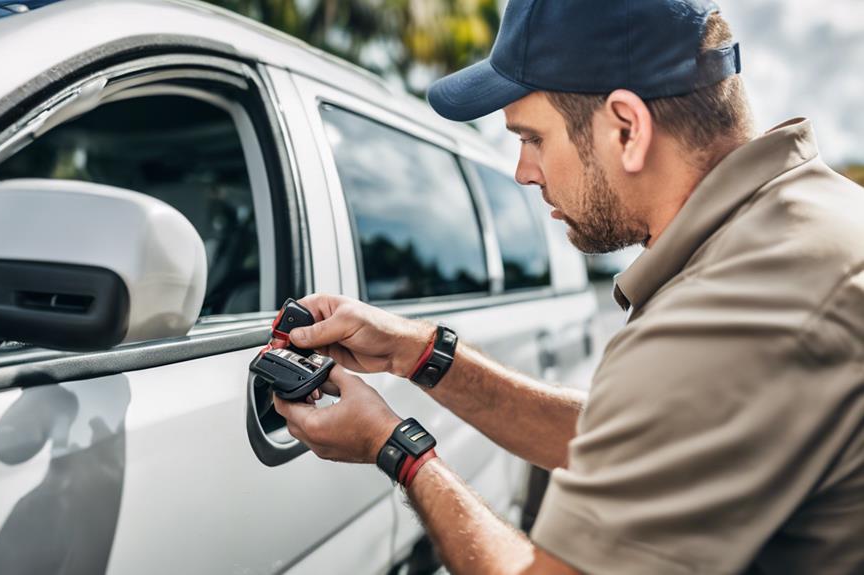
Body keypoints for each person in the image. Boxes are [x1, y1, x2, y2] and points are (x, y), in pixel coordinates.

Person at [273, 0, 864, 573]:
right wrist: (419, 353)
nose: (523, 172)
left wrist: (395, 449)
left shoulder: (738, 306)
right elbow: (651, 440)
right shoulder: (797, 231)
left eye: (532, 138)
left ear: (627, 128)